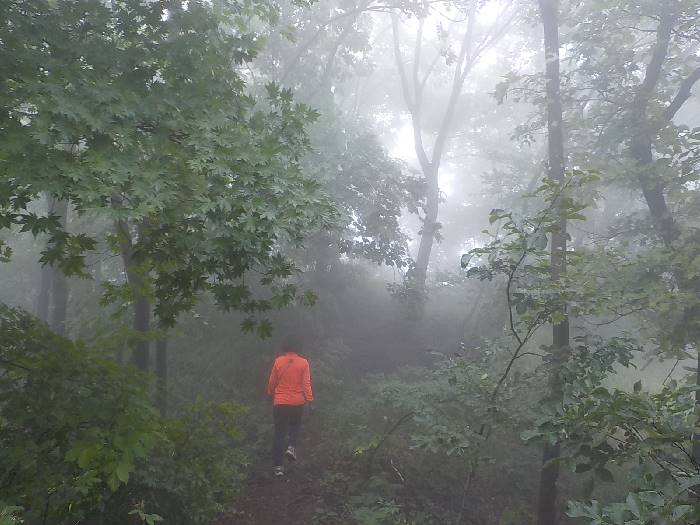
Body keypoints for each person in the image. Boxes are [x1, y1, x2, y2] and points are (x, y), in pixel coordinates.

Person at [266, 335, 313, 477]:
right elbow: (306, 384)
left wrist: (269, 396)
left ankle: (278, 468)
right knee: (295, 426)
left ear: (285, 346)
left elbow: (272, 382)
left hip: (280, 402)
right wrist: (310, 401)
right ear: (298, 347)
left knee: (279, 434)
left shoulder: (278, 361)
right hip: (297, 402)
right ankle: (291, 447)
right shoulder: (304, 363)